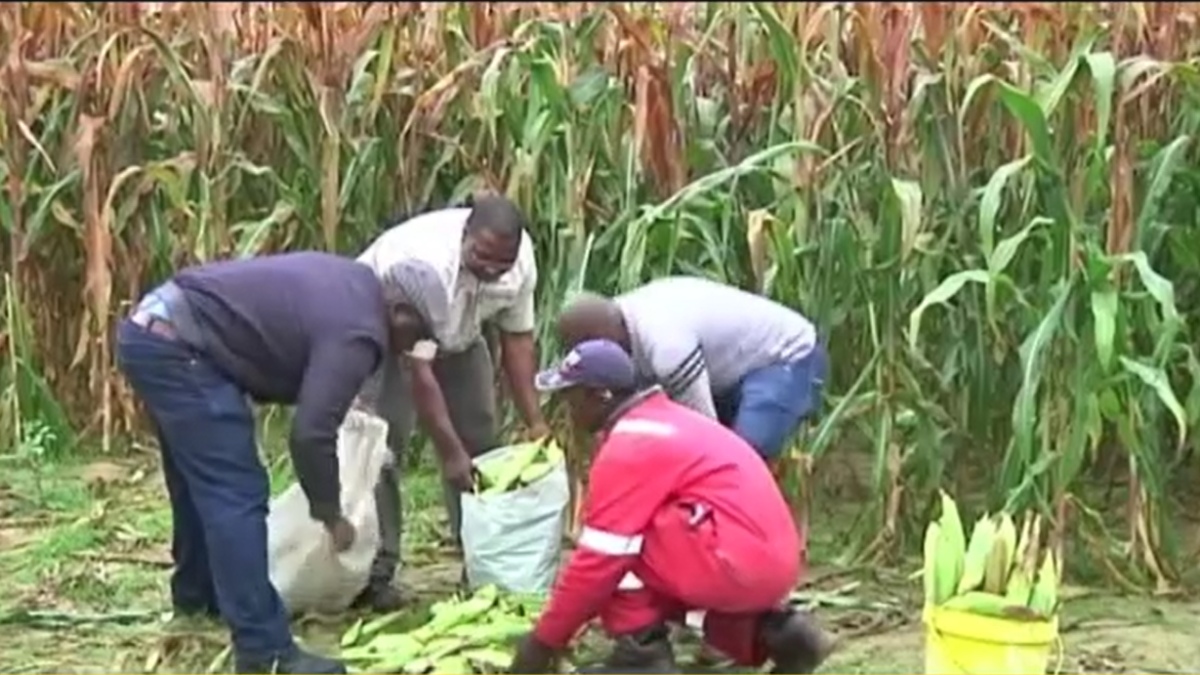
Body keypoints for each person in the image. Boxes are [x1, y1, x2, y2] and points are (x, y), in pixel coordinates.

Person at [116, 252, 429, 675]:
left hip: (153, 333)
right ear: (400, 310)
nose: (413, 346)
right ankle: (265, 650)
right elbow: (310, 435)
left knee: (196, 484)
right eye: (419, 332)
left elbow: (301, 340)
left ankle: (198, 598)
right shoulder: (363, 330)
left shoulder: (357, 288)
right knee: (236, 493)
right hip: (182, 349)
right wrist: (330, 513)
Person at [507, 339, 835, 674]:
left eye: (571, 397)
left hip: (736, 563)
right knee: (646, 569)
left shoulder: (631, 443)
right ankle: (777, 633)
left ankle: (641, 658)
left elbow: (598, 562)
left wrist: (543, 642)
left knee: (616, 545)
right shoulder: (669, 419)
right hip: (768, 560)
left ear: (600, 395)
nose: (567, 409)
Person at [354, 194, 549, 611]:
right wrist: (449, 452)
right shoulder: (425, 265)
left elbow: (517, 339)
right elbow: (417, 370)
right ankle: (376, 571)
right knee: (382, 446)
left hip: (459, 335)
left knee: (480, 438)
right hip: (389, 333)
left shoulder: (520, 264)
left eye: (503, 261)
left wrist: (535, 421)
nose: (494, 269)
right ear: (465, 236)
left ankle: (480, 558)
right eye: (483, 257)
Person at [555, 276, 827, 465]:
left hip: (786, 358)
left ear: (606, 339)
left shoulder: (666, 344)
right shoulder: (615, 321)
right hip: (727, 366)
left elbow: (705, 431)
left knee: (740, 459)